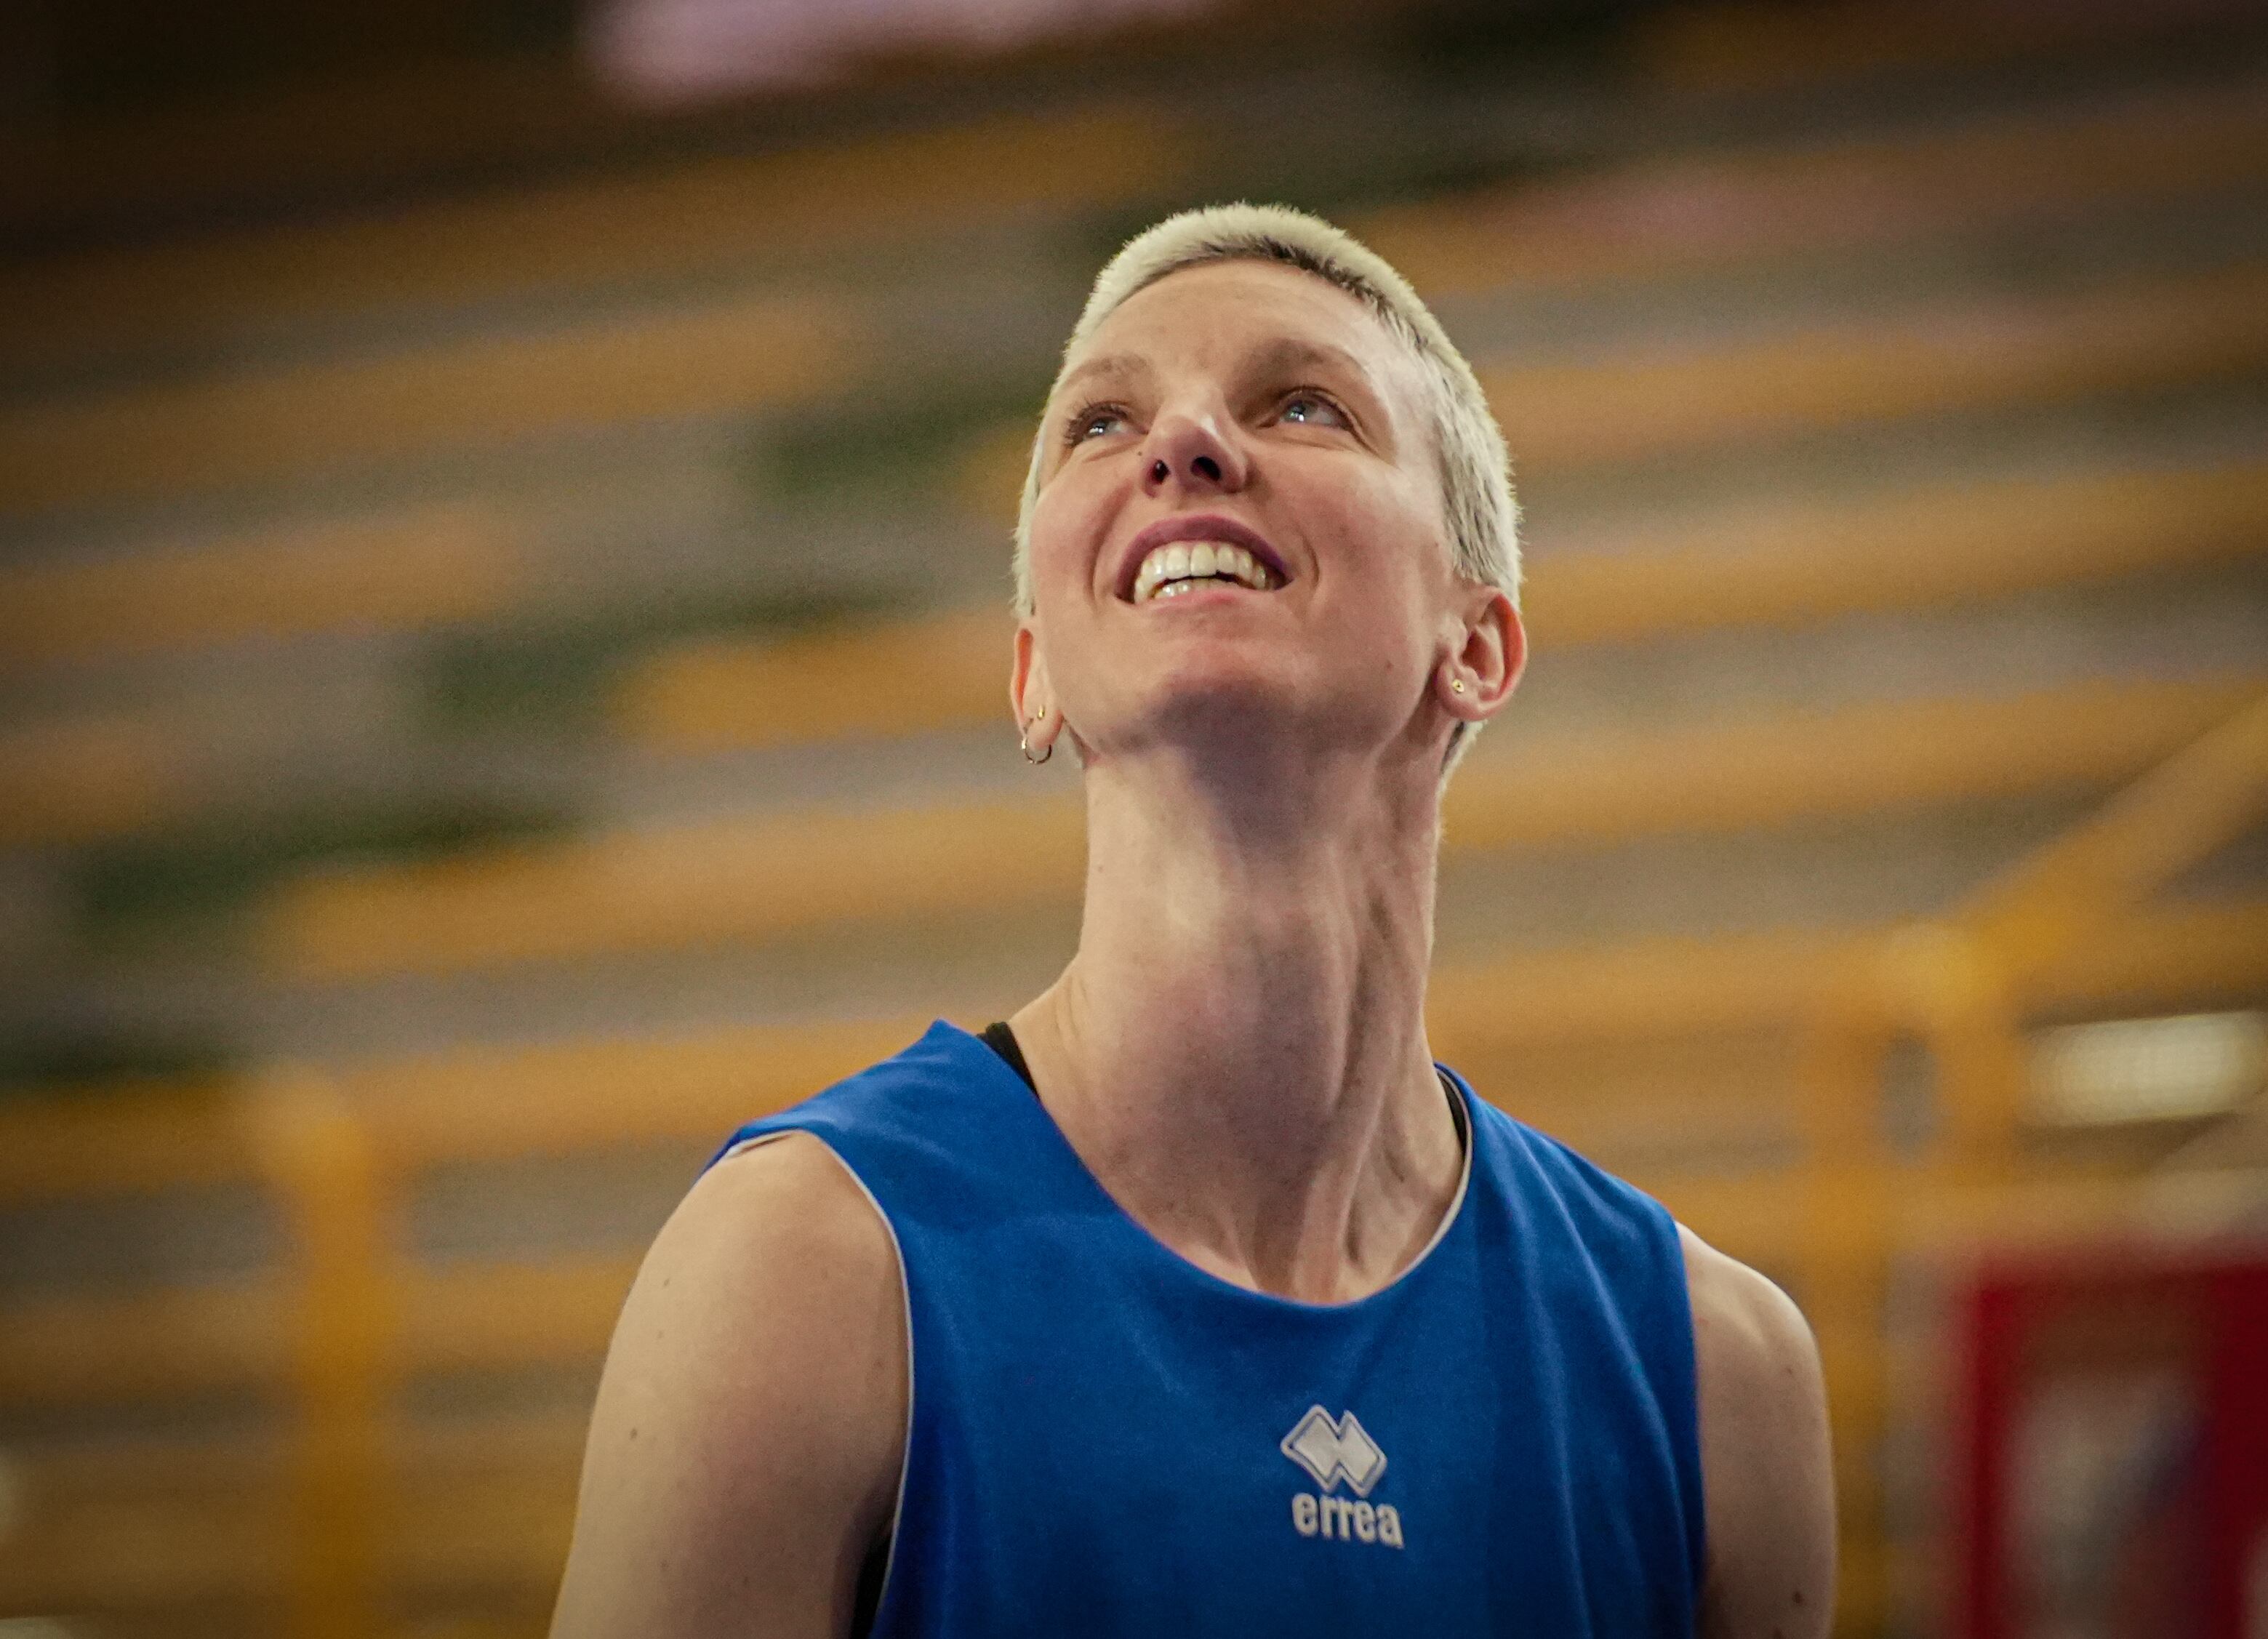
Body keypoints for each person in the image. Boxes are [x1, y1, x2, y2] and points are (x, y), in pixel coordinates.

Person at [550, 203, 1836, 1638]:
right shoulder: (800, 1272)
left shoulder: (1719, 1379)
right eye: (1103, 423)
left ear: (1476, 643)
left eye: (1303, 402)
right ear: (1033, 669)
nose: (1182, 446)